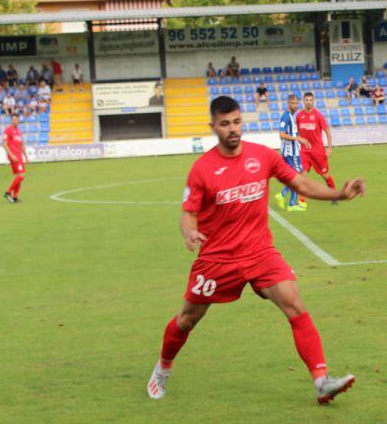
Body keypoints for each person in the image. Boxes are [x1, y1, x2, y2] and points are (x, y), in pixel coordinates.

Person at [145, 96, 365, 403]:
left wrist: (339, 194)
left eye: (236, 122)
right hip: (217, 258)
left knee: (295, 304)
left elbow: (300, 183)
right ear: (213, 127)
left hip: (260, 253)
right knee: (186, 320)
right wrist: (189, 231)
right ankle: (163, 367)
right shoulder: (202, 169)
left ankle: (321, 380)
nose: (232, 129)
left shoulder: (263, 156)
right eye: (224, 124)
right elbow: (188, 212)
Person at [296, 92, 338, 197]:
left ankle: (334, 194)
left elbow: (327, 132)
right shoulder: (299, 116)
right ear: (303, 101)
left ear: (313, 101)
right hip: (304, 151)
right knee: (301, 176)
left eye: (311, 100)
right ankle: (301, 201)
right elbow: (296, 132)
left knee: (324, 174)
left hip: (317, 151)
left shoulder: (318, 116)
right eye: (307, 100)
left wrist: (329, 149)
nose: (309, 102)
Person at [274, 94, 306, 212]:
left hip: (292, 151)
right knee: (299, 176)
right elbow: (281, 135)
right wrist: (297, 139)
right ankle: (289, 201)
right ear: (288, 104)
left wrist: (300, 139)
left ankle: (288, 199)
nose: (296, 105)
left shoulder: (292, 116)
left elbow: (292, 133)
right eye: (293, 103)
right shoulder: (286, 117)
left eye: (297, 103)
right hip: (291, 152)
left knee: (294, 176)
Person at [2, 114, 26, 203]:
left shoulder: (19, 131)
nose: (15, 121)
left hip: (19, 155)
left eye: (17, 119)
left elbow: (20, 144)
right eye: (14, 119)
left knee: (19, 176)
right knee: (21, 175)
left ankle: (15, 197)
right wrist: (11, 155)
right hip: (14, 156)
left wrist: (25, 154)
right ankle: (8, 192)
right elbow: (4, 144)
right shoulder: (7, 130)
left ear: (19, 120)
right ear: (11, 120)